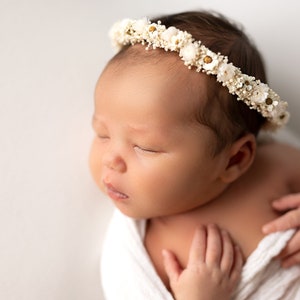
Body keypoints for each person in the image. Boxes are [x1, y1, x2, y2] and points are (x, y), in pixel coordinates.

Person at [89, 10, 300, 299]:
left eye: (145, 146)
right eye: (102, 133)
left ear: (235, 159)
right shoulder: (144, 254)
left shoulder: (280, 162)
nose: (110, 159)